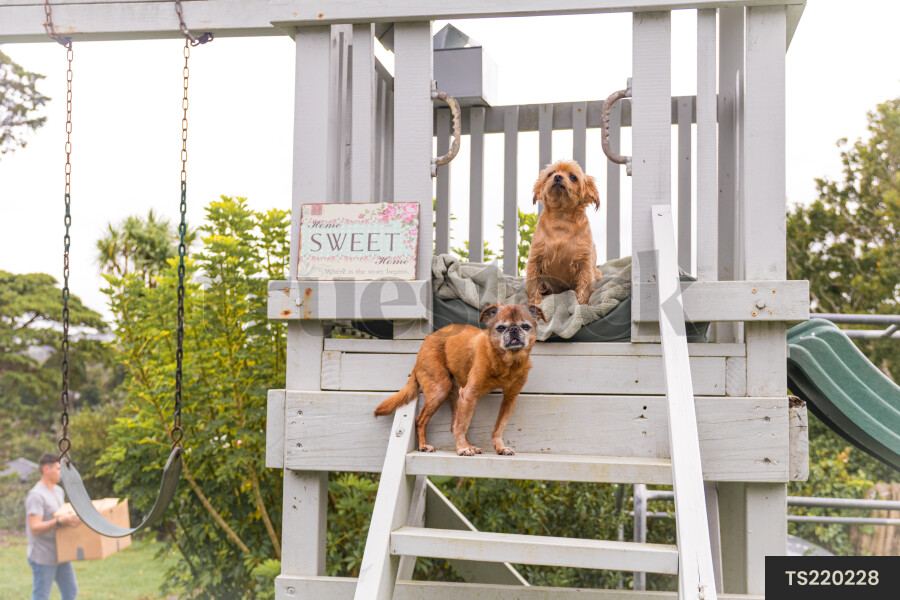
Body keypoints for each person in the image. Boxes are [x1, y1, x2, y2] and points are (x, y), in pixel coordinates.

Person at [25, 453, 81, 600]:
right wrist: (61, 521)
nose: (61, 473)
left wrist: (70, 520)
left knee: (70, 592)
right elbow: (35, 528)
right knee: (41, 596)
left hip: (61, 553)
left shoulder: (58, 491)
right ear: (46, 469)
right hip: (43, 556)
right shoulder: (36, 495)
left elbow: (60, 515)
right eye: (58, 469)